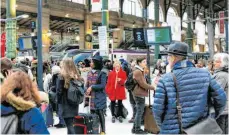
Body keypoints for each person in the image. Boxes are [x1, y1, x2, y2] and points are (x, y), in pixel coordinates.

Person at [153, 42, 227, 134]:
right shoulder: (205, 74)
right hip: (201, 130)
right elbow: (221, 98)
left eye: (168, 57)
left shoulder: (165, 79)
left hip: (174, 131)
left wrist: (164, 127)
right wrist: (212, 116)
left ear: (172, 57)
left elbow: (157, 110)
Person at [56, 58, 84, 134]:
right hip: (74, 103)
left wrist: (57, 103)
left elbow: (59, 92)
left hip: (65, 104)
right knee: (70, 124)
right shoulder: (77, 76)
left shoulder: (61, 76)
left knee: (69, 125)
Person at [131, 57, 155, 134]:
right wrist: (153, 87)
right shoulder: (138, 71)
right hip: (139, 94)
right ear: (139, 63)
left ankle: (134, 128)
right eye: (144, 62)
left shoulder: (140, 71)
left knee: (139, 111)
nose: (145, 63)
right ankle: (137, 129)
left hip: (139, 93)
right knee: (139, 112)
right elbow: (143, 84)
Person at [85, 55, 107, 135]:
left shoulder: (102, 73)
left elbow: (102, 85)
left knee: (100, 114)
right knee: (92, 115)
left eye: (92, 62)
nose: (90, 63)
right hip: (91, 98)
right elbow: (86, 85)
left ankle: (103, 131)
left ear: (96, 63)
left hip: (99, 97)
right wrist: (86, 90)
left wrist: (92, 87)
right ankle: (94, 131)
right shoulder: (89, 73)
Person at [213, 53, 228, 134]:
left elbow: (217, 92)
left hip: (222, 109)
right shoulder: (225, 74)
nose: (214, 63)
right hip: (226, 108)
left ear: (223, 63)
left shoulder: (221, 75)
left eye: (217, 61)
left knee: (220, 131)